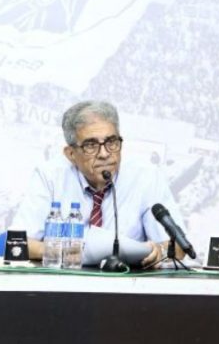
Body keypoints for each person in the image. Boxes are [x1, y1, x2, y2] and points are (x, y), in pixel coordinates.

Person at [11, 100, 186, 268]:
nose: (104, 154)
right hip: (63, 281)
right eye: (91, 145)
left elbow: (179, 245)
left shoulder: (146, 176)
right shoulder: (50, 175)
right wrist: (69, 252)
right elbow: (16, 242)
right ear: (71, 154)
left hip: (126, 282)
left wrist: (161, 251)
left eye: (111, 142)